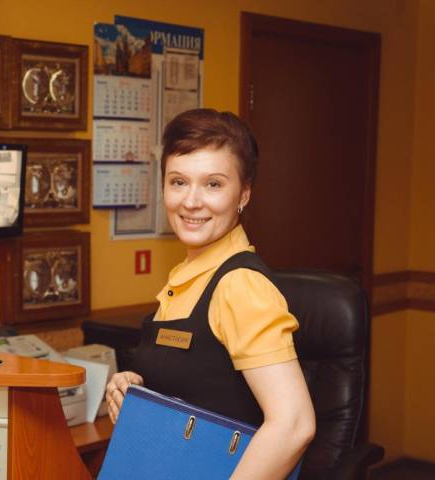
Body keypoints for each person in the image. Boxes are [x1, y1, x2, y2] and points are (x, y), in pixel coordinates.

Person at [105, 109, 315, 479]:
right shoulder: (188, 275)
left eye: (213, 184)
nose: (191, 201)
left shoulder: (239, 284)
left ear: (244, 193)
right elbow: (200, 381)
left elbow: (294, 424)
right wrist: (135, 389)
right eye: (178, 182)